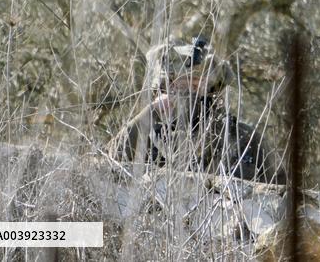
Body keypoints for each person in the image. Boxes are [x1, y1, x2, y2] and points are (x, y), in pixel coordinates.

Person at [110, 36, 281, 184]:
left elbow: (281, 191)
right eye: (180, 87)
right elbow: (109, 162)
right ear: (163, 90)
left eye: (198, 86)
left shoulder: (244, 138)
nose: (190, 94)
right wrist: (150, 112)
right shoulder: (145, 134)